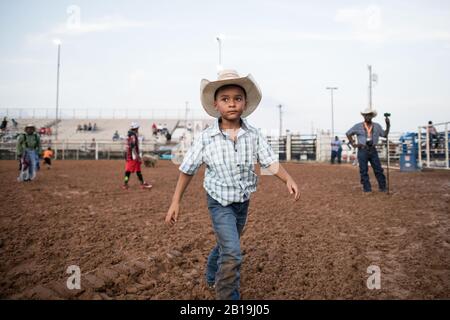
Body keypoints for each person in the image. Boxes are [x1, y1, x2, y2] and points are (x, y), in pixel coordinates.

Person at [165, 70, 300, 300]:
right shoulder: (206, 138)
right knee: (233, 253)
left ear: (245, 103)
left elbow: (269, 161)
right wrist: (175, 201)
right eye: (225, 99)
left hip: (242, 202)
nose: (232, 104)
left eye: (237, 98)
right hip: (218, 201)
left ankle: (210, 273)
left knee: (228, 245)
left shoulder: (254, 135)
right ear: (216, 104)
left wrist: (288, 179)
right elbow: (187, 169)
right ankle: (228, 298)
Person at [346, 108, 390, 193]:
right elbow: (348, 133)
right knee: (363, 170)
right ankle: (367, 188)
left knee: (378, 169)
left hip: (373, 150)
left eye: (369, 115)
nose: (367, 116)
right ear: (364, 116)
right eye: (366, 115)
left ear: (372, 116)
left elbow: (385, 134)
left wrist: (388, 125)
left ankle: (382, 187)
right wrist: (353, 143)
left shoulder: (377, 126)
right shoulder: (358, 126)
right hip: (362, 149)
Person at [122, 122, 152, 190]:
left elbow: (128, 146)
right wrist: (137, 156)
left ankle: (125, 184)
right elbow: (133, 147)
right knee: (137, 171)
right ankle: (142, 184)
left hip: (128, 156)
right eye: (138, 128)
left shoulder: (128, 135)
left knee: (128, 171)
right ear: (136, 128)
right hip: (133, 156)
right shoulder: (133, 136)